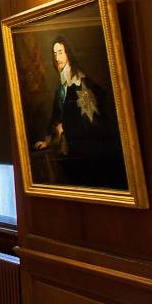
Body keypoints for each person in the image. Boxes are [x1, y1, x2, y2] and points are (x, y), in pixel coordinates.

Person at [32, 36, 126, 189]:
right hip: (72, 150)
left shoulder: (81, 84)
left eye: (60, 52)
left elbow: (91, 121)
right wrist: (47, 140)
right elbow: (56, 116)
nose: (57, 58)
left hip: (90, 153)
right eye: (54, 54)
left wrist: (65, 127)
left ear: (68, 54)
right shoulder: (61, 88)